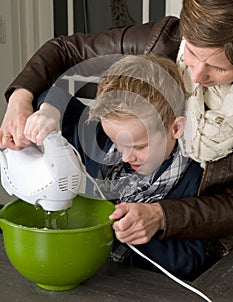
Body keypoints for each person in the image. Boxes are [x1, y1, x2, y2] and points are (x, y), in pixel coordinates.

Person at [0, 0, 232, 258]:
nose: (197, 76)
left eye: (217, 67)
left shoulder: (185, 181)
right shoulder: (163, 40)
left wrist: (163, 216)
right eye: (193, 53)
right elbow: (66, 51)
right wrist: (25, 101)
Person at [24, 53, 212, 280]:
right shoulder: (99, 139)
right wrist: (48, 113)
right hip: (94, 276)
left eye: (139, 146)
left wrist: (132, 234)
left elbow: (193, 259)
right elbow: (49, 94)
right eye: (117, 143)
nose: (125, 157)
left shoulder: (195, 178)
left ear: (175, 128)